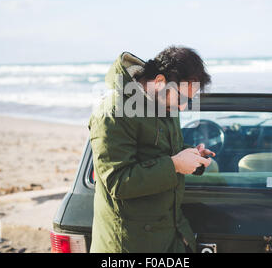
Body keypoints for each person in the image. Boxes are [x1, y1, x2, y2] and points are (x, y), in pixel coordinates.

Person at [88, 46, 214, 253]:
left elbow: (160, 150)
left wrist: (192, 156)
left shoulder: (164, 100)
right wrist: (175, 165)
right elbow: (117, 182)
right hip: (129, 244)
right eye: (182, 98)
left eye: (189, 100)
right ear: (159, 82)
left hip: (169, 235)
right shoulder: (112, 112)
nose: (183, 107)